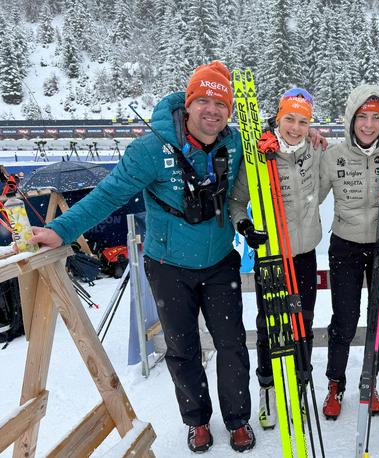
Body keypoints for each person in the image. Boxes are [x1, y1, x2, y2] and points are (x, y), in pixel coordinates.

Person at [29, 61, 257, 453]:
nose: (212, 111)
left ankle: (237, 419)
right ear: (188, 104)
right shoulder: (151, 148)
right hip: (168, 266)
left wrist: (313, 143)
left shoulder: (235, 144)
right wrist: (61, 230)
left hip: (220, 262)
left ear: (229, 112)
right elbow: (109, 193)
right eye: (203, 100)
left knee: (232, 344)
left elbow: (281, 152)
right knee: (182, 348)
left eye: (221, 104)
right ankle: (197, 421)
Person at [229, 88, 322, 430]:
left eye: (303, 121)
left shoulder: (314, 148)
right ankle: (268, 385)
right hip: (271, 254)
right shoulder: (259, 154)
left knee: (304, 322)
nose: (295, 128)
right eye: (289, 119)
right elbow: (237, 202)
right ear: (278, 117)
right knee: (270, 325)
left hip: (305, 252)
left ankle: (298, 381)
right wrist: (245, 226)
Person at [318, 84, 379, 420]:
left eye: (376, 118)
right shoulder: (334, 155)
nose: (368, 125)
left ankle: (370, 377)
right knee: (346, 321)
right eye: (362, 116)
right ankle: (336, 383)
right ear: (351, 118)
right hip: (346, 246)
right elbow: (313, 196)